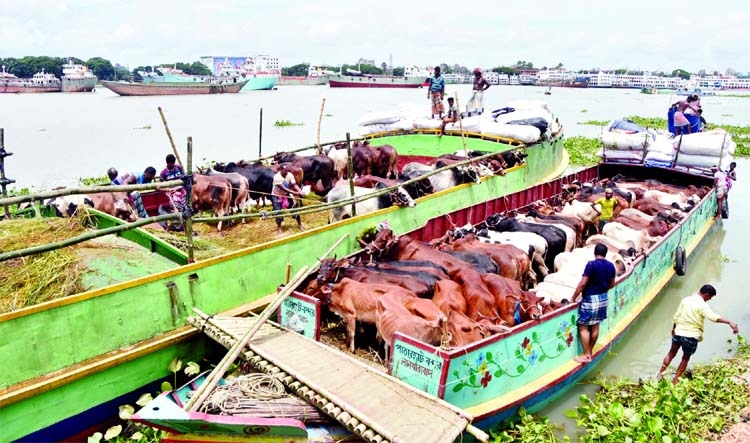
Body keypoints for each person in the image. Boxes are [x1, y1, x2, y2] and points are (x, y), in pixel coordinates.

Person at [656, 284, 738, 384]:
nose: (709, 299)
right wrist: (729, 322)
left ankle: (660, 373)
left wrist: (673, 329)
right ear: (706, 295)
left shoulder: (685, 300)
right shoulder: (702, 305)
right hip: (691, 336)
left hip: (679, 332)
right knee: (685, 358)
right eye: (710, 297)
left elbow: (676, 316)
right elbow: (713, 317)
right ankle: (675, 381)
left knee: (671, 353)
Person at [571, 243, 616, 363]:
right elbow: (612, 284)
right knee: (595, 325)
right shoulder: (611, 266)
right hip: (603, 298)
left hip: (590, 299)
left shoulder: (591, 265)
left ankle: (586, 355)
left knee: (583, 327)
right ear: (605, 254)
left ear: (595, 252)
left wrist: (573, 297)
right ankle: (590, 351)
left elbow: (582, 283)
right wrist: (603, 291)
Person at [271, 163, 306, 235]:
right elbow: (284, 188)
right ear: (280, 170)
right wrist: (294, 193)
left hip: (286, 195)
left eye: (287, 170)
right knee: (278, 212)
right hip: (276, 195)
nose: (286, 172)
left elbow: (294, 184)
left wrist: (300, 191)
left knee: (294, 208)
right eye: (285, 170)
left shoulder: (290, 175)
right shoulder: (277, 177)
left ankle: (299, 224)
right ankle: (279, 227)